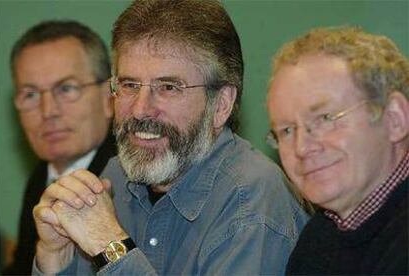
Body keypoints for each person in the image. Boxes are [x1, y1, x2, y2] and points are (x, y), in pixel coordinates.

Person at [32, 1, 309, 275]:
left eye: (168, 87)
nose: (140, 110)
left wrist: (112, 247)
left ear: (221, 104)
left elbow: (111, 248)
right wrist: (56, 259)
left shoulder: (251, 205)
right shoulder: (115, 177)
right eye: (129, 85)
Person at [267, 26, 409, 275]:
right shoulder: (319, 236)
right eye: (287, 130)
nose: (302, 148)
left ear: (395, 119)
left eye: (325, 118)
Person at [2, 20, 116, 275]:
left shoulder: (132, 179)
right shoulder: (43, 175)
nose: (47, 111)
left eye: (66, 89)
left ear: (109, 98)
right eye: (30, 94)